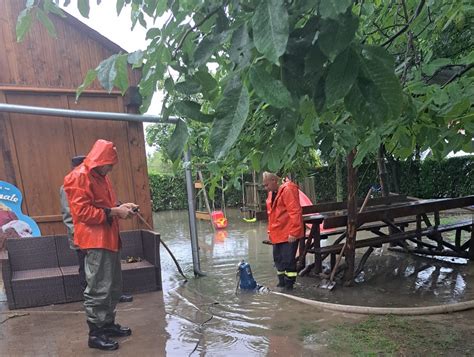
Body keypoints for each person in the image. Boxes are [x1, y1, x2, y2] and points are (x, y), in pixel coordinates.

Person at [63, 140, 139, 351]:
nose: (111, 169)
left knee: (113, 286)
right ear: (100, 161)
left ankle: (107, 324)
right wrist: (115, 212)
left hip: (109, 238)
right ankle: (95, 334)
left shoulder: (101, 177)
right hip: (95, 241)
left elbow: (105, 204)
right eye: (110, 164)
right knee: (98, 288)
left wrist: (122, 206)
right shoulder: (78, 177)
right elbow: (82, 213)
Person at [60, 156, 133, 302]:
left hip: (98, 234)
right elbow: (73, 214)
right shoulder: (73, 183)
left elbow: (101, 204)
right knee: (87, 268)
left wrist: (119, 207)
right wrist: (77, 236)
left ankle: (112, 296)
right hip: (82, 236)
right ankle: (91, 298)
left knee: (104, 269)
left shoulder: (93, 181)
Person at [262, 172, 304, 291]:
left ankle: (289, 286)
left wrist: (294, 232)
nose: (266, 188)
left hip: (288, 233)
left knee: (288, 260)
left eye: (266, 185)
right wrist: (270, 231)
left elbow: (295, 211)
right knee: (278, 260)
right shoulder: (273, 192)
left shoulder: (288, 189)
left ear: (274, 180)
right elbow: (272, 214)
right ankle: (281, 284)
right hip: (278, 232)